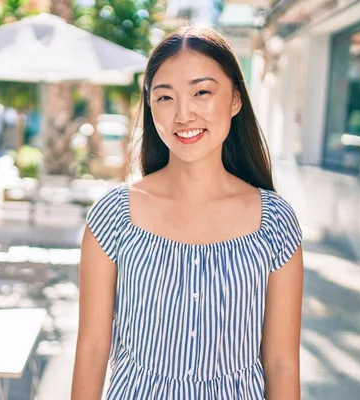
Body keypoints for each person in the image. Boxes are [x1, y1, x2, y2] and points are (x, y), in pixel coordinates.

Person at [71, 25, 303, 400]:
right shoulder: (114, 217)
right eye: (165, 97)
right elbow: (93, 348)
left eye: (202, 92)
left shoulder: (274, 222)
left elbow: (281, 362)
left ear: (235, 100)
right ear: (150, 105)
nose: (183, 114)